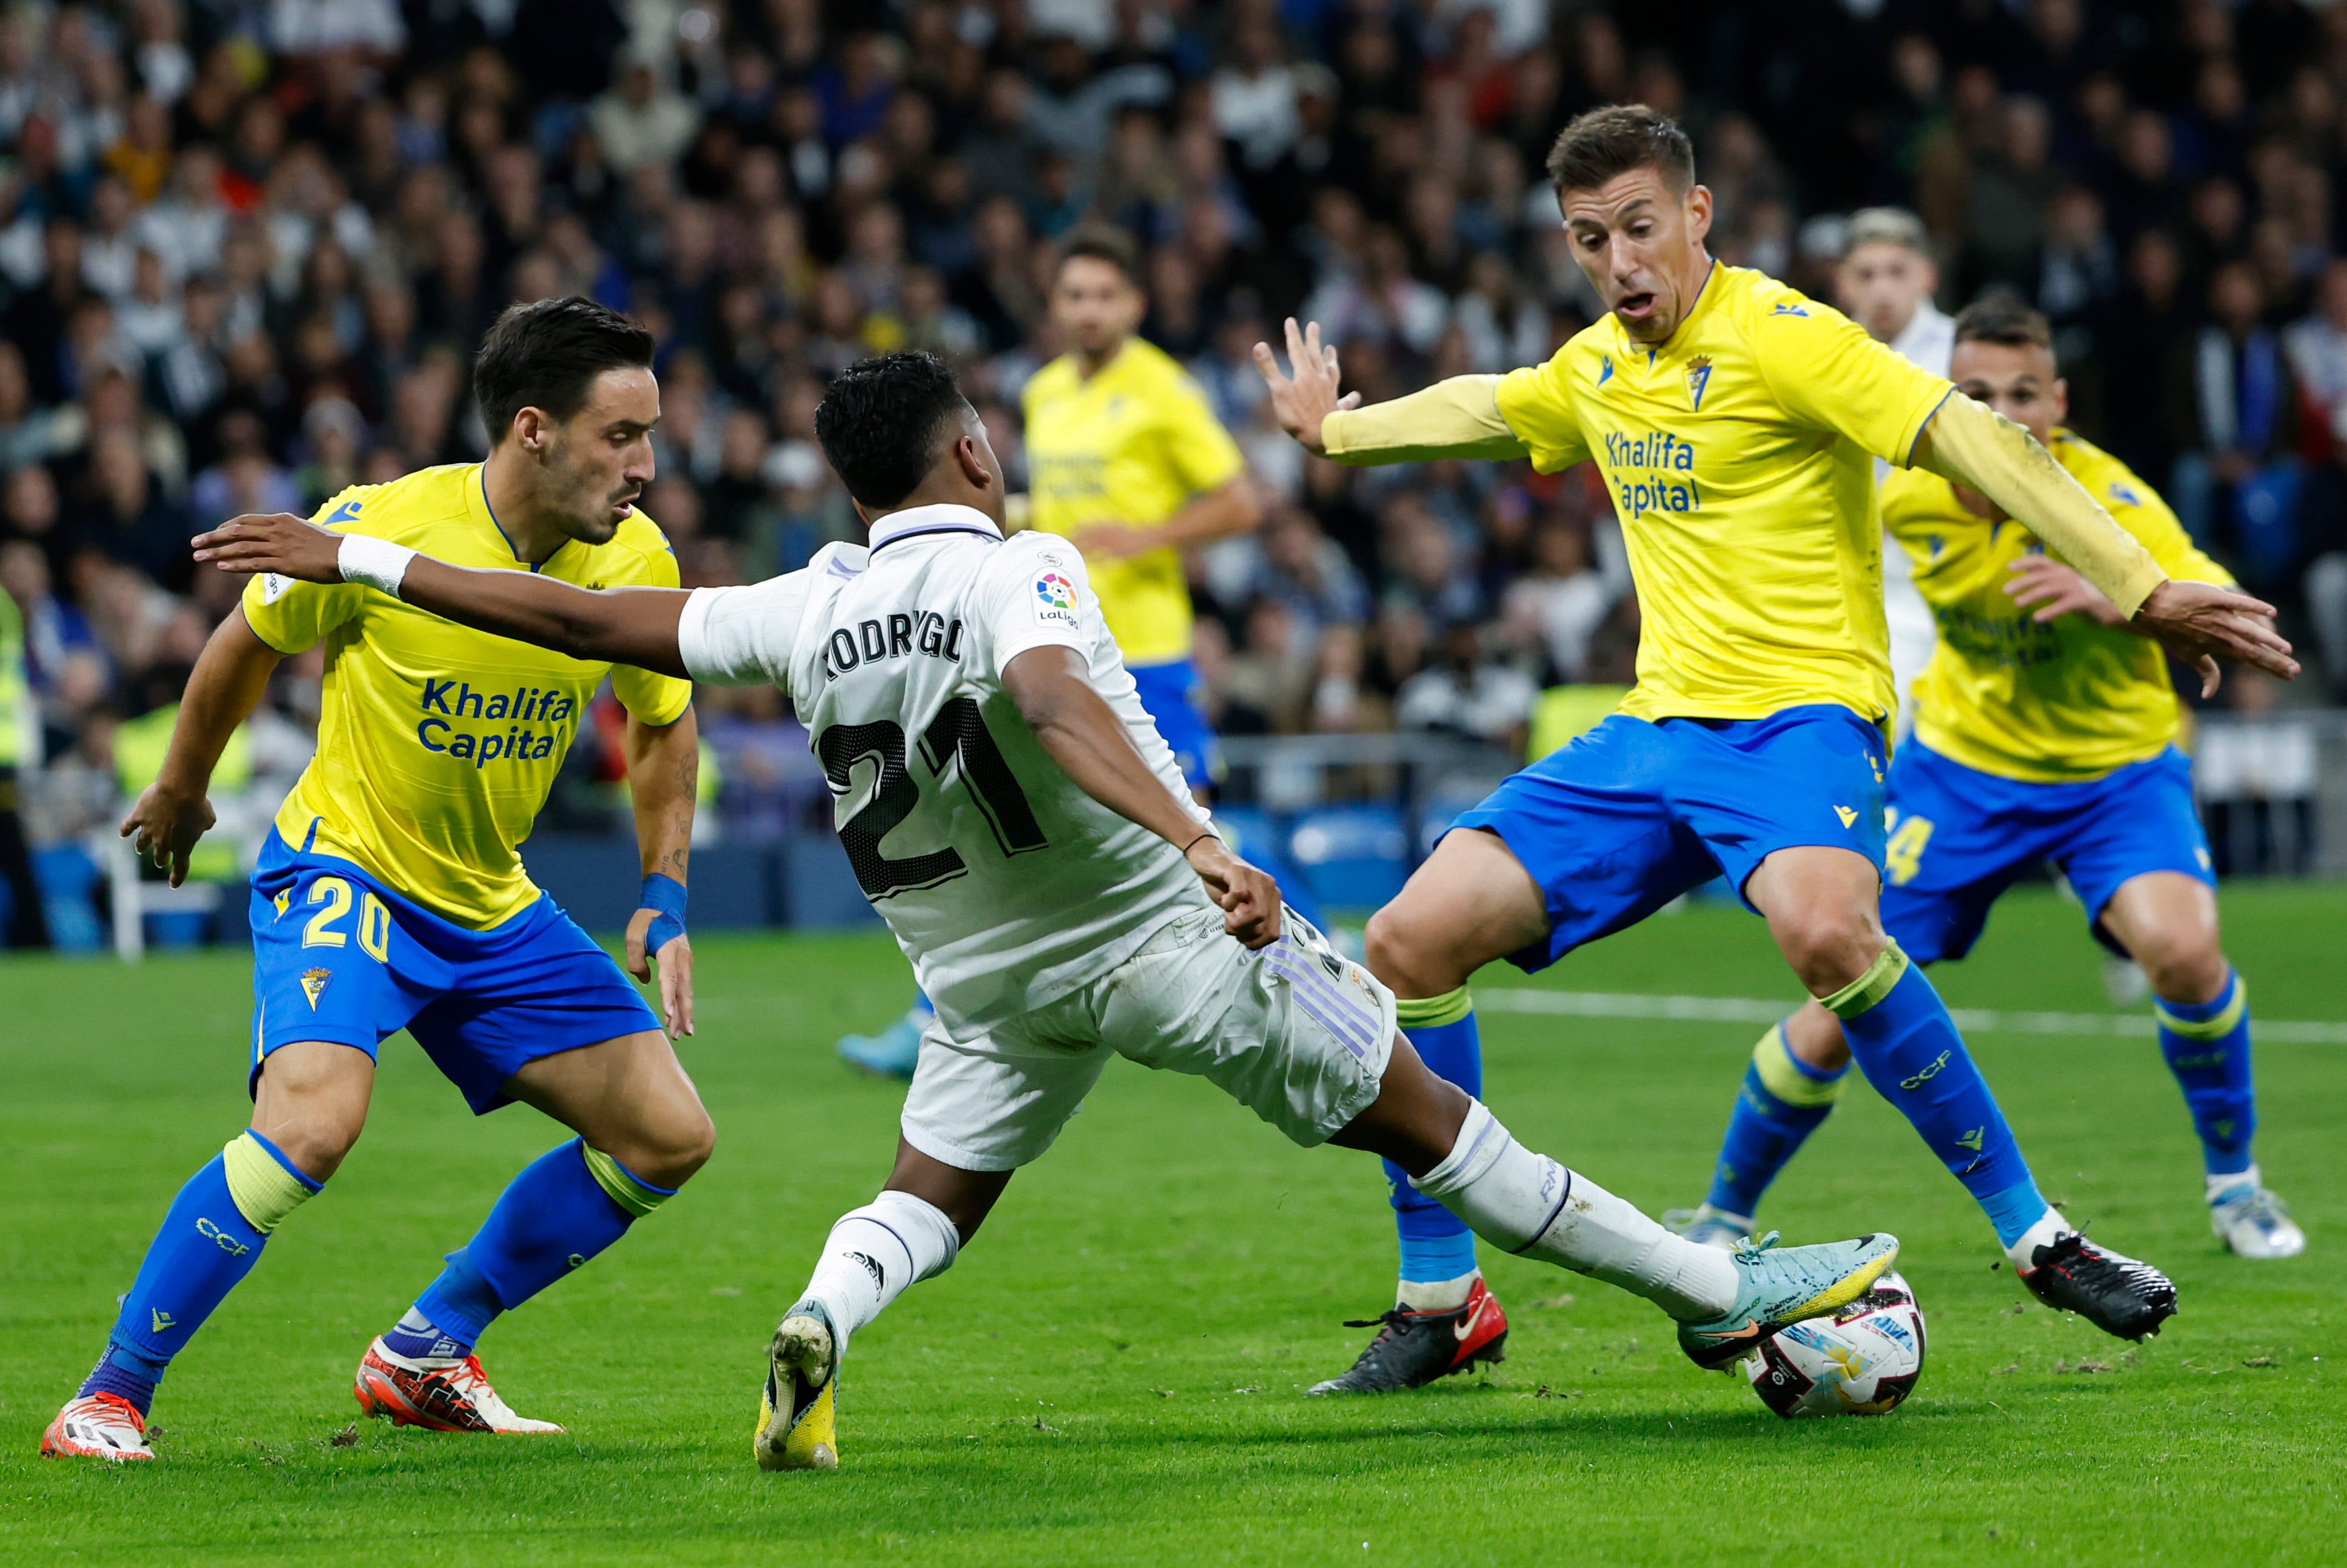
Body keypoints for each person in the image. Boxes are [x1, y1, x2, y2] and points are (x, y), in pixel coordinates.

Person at [195, 349, 1907, 1473]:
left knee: (933, 1194)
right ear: (970, 448)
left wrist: (364, 561)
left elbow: (584, 631)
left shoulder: (801, 605)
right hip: (1166, 941)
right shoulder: (1021, 562)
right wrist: (1206, 844)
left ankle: (822, 1324)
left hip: (980, 981)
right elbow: (1059, 701)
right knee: (1445, 1133)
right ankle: (1717, 1294)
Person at [1250, 105, 2297, 1394]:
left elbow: (1960, 430)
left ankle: (2037, 1236)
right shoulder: (1595, 368)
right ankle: (1441, 1298)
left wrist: (2135, 586)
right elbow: (1493, 402)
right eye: (1589, 240)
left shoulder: (1786, 336)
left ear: (1695, 215)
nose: (1619, 262)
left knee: (1823, 934)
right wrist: (1338, 432)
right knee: (1406, 940)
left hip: (1803, 718)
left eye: (1639, 227)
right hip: (1654, 729)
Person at [41, 298, 714, 1464]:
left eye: (650, 435)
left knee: (667, 1133)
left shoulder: (634, 558)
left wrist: (664, 890)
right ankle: (109, 1393)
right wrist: (187, 786)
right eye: (621, 436)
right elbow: (245, 639)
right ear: (534, 429)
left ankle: (426, 1347)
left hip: (487, 897)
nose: (645, 467)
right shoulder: (385, 523)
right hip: (345, 867)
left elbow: (663, 722)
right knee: (312, 1120)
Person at [1670, 298, 2303, 1261]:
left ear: (2058, 403)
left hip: (2113, 778)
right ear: (1946, 398)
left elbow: (2208, 591)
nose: (2001, 413)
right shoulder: (1905, 490)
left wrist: (2119, 599)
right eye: (1975, 393)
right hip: (1962, 777)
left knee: (2182, 953)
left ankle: (2237, 1189)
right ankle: (1720, 1216)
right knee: (1842, 997)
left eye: (2022, 393)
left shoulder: (2111, 503)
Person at [835, 226, 1269, 1078]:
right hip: (1047, 639)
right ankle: (937, 1013)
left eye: (1105, 295)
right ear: (1055, 305)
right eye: (1074, 295)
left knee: (1188, 822)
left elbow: (1240, 502)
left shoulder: (1165, 391)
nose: (1088, 311)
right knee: (1007, 818)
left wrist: (1146, 535)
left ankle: (1315, 938)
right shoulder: (1044, 391)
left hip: (1143, 650)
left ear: (1135, 304)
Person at [1835, 206, 1951, 740]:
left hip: (1957, 570)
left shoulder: (1965, 353)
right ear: (1842, 283)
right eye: (1866, 274)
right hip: (1864, 584)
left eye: (1896, 272)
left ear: (1927, 276)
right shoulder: (1828, 359)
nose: (1882, 289)